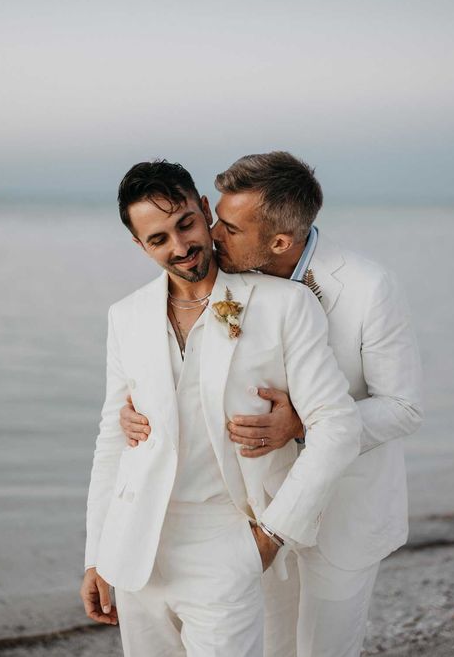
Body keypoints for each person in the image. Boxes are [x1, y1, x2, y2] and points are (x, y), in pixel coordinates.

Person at [120, 152, 423, 657]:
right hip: (258, 510)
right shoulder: (227, 280)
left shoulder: (370, 288)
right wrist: (141, 410)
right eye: (215, 217)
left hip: (344, 510)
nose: (214, 234)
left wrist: (300, 425)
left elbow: (404, 407)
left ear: (279, 241)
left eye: (231, 227)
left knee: (324, 649)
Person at [80, 160, 362, 657]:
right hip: (135, 550)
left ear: (205, 210)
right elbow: (111, 439)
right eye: (158, 238)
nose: (180, 246)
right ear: (139, 245)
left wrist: (272, 536)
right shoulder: (125, 316)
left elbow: (337, 427)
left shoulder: (285, 304)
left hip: (228, 542)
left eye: (186, 223)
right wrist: (97, 555)